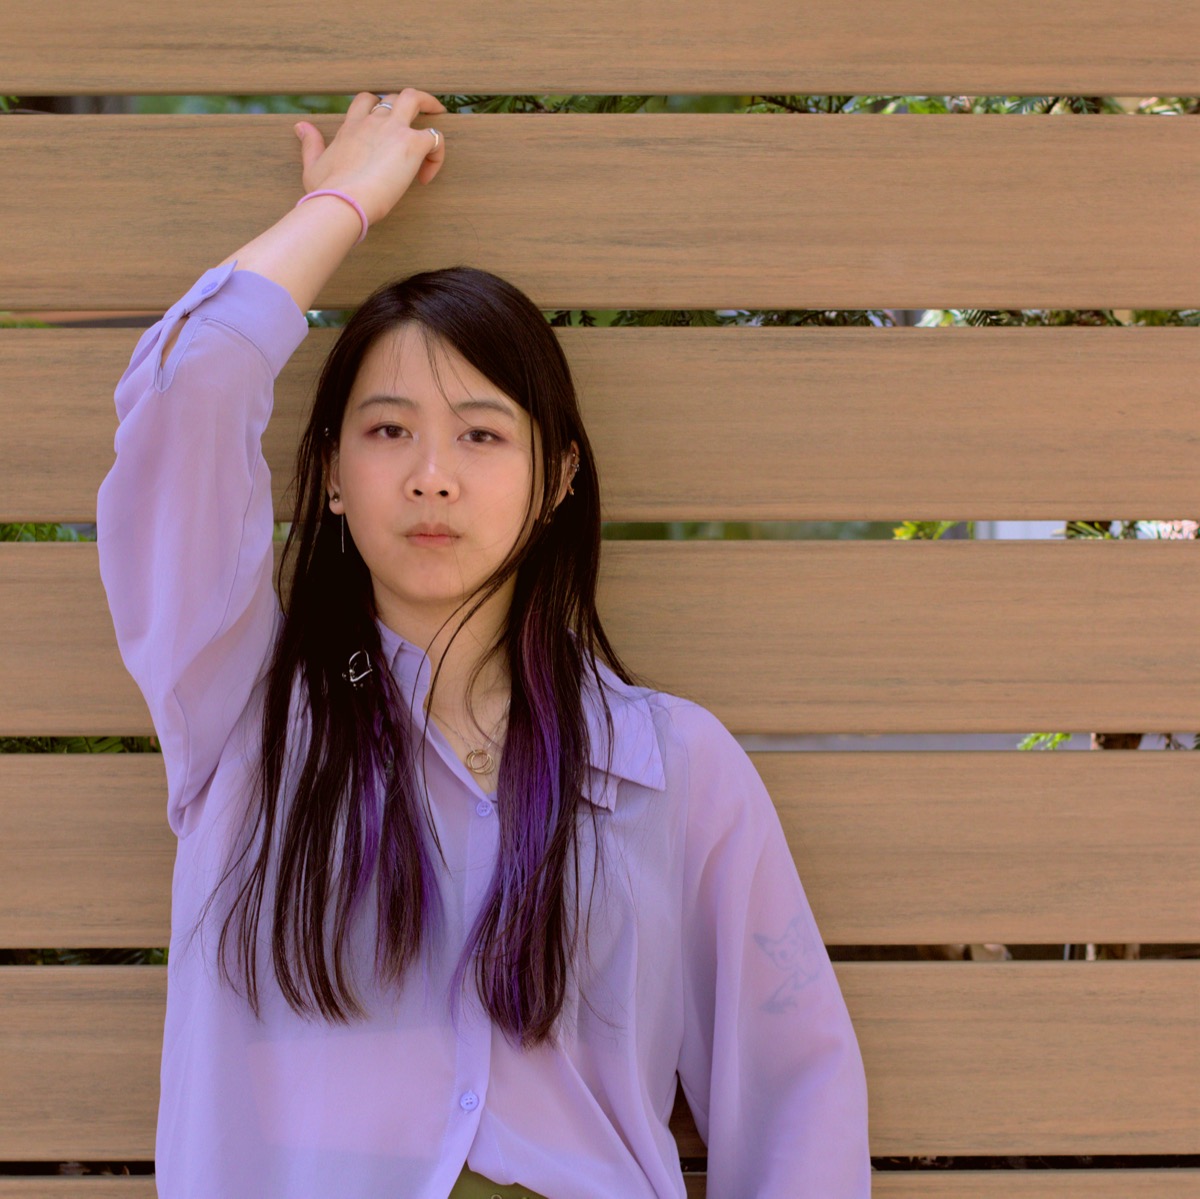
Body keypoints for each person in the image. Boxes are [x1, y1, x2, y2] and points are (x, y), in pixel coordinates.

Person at [96, 89, 871, 1199]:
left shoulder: (677, 768)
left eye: (481, 432)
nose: (432, 474)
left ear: (556, 478)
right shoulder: (247, 713)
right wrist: (342, 203)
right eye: (387, 430)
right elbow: (191, 391)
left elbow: (802, 1104)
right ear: (326, 472)